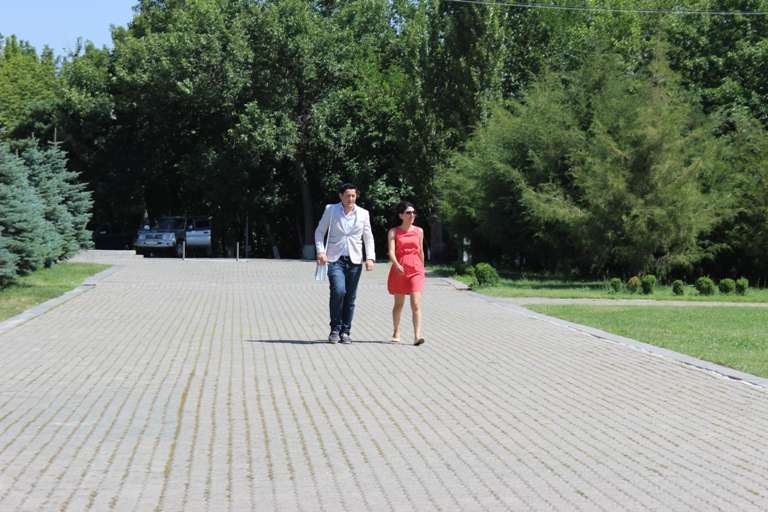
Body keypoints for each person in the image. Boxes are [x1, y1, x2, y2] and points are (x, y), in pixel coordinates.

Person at [314, 183, 376, 344]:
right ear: (341, 196)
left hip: (355, 261)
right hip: (335, 259)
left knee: (350, 297)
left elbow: (368, 237)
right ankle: (335, 329)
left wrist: (370, 258)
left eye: (353, 196)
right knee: (339, 291)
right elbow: (319, 232)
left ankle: (345, 331)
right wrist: (320, 251)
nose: (351, 199)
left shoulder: (363, 213)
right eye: (348, 195)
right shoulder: (331, 210)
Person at [387, 201, 425, 346]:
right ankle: (396, 331)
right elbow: (391, 251)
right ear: (401, 215)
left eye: (413, 213)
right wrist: (397, 265)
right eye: (408, 213)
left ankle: (417, 336)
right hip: (400, 269)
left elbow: (421, 250)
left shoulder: (419, 231)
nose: (412, 215)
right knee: (399, 304)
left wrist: (423, 268)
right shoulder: (394, 232)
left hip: (416, 268)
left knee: (415, 303)